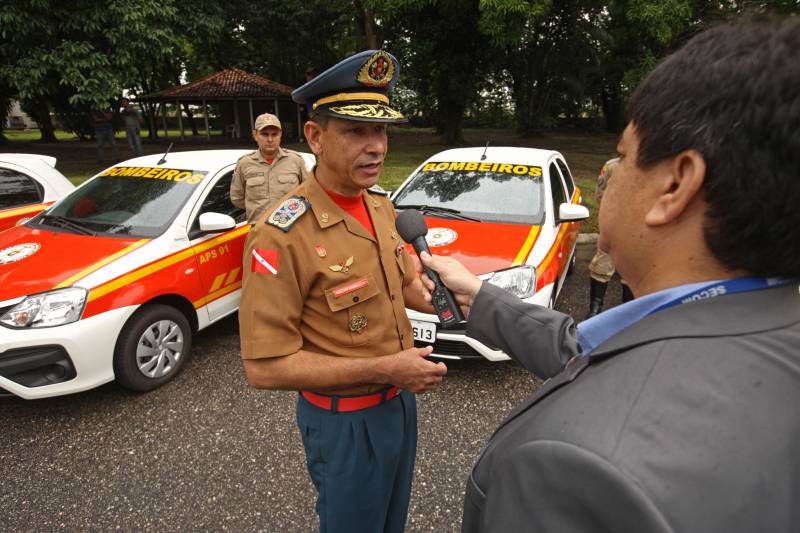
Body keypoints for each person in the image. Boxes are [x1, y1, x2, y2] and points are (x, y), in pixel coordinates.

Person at [419, 15, 800, 533]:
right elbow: (590, 348)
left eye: (622, 156)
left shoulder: (573, 468)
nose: (607, 182)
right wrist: (479, 296)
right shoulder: (764, 323)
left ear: (675, 186)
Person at [238, 50, 447, 533]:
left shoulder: (379, 207)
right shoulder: (280, 233)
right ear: (315, 137)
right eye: (356, 132)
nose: (376, 147)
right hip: (344, 423)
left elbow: (406, 288)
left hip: (399, 403)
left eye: (381, 131)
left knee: (390, 522)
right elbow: (263, 368)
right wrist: (385, 367)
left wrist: (453, 298)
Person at [230, 112, 310, 224]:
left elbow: (309, 191)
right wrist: (256, 208)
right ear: (255, 135)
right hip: (259, 229)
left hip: (292, 227)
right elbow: (237, 198)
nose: (270, 139)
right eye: (265, 134)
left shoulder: (295, 160)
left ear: (280, 135)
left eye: (274, 134)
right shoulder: (244, 163)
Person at [585, 157, 633, 318]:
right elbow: (601, 195)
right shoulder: (614, 166)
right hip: (614, 224)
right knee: (602, 264)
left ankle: (629, 313)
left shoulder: (658, 164)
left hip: (641, 228)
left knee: (632, 269)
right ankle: (595, 309)